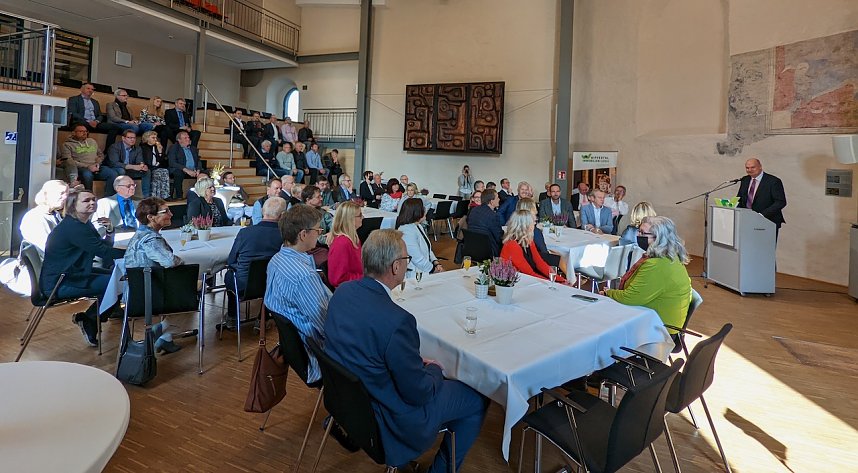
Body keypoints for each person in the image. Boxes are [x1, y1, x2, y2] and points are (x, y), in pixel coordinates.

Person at [324, 229, 488, 473]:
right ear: (395, 267)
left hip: (350, 405)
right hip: (390, 418)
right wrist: (433, 369)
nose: (407, 263)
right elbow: (419, 393)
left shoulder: (342, 293)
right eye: (407, 259)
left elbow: (364, 347)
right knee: (478, 397)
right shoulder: (397, 320)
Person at [41, 190, 125, 346]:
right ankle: (91, 319)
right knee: (121, 282)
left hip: (74, 272)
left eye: (94, 199)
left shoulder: (82, 224)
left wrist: (110, 231)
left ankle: (92, 317)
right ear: (73, 205)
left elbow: (102, 248)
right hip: (61, 282)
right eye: (86, 201)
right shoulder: (74, 228)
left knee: (117, 277)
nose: (92, 203)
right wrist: (134, 252)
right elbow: (104, 252)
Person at [264, 204, 332, 383]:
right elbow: (326, 326)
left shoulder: (276, 260)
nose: (320, 234)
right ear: (303, 234)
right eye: (318, 230)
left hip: (296, 349)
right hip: (317, 356)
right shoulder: (304, 276)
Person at [605, 216, 692, 335]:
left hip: (658, 331)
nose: (638, 236)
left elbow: (629, 298)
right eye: (639, 231)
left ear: (659, 238)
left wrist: (608, 293)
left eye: (643, 233)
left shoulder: (656, 265)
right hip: (661, 321)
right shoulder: (671, 257)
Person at [124, 198, 185, 354]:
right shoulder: (150, 239)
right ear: (150, 217)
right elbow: (170, 261)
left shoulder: (141, 234)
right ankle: (160, 331)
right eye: (166, 212)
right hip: (147, 295)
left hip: (137, 292)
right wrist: (181, 261)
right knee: (193, 293)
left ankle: (166, 339)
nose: (171, 214)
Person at [224, 197, 287, 326]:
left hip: (242, 284)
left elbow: (231, 260)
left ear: (263, 211)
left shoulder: (245, 233)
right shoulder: (284, 235)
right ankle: (263, 317)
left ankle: (232, 316)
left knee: (230, 274)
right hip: (271, 284)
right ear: (282, 216)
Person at [500, 210, 566, 282]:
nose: (534, 224)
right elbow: (528, 273)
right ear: (525, 225)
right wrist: (550, 282)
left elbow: (540, 263)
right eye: (533, 222)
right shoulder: (512, 245)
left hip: (525, 278)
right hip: (514, 282)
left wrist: (560, 280)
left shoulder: (528, 240)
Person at [737, 157, 787, 237]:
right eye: (747, 168)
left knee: (764, 248)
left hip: (768, 221)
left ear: (760, 166)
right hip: (748, 221)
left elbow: (780, 202)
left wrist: (761, 215)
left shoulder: (773, 181)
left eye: (753, 167)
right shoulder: (745, 180)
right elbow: (740, 198)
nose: (749, 170)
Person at [396, 198, 444, 277]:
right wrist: (433, 270)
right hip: (416, 274)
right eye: (423, 208)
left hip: (425, 269)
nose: (426, 210)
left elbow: (427, 249)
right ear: (417, 212)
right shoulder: (407, 231)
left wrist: (436, 262)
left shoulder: (417, 226)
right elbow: (417, 259)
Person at [19, 180, 69, 257]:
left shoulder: (54, 214)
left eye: (66, 194)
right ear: (47, 195)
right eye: (61, 193)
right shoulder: (35, 217)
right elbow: (49, 248)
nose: (65, 197)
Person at [61, 124, 114, 192]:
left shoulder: (92, 141)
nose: (84, 133)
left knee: (112, 173)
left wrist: (98, 163)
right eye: (81, 131)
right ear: (73, 132)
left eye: (86, 131)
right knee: (87, 175)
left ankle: (108, 196)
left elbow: (100, 155)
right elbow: (68, 161)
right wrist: (88, 166)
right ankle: (89, 195)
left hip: (96, 166)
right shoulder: (67, 145)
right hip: (81, 168)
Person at [326, 201, 364, 288]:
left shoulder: (353, 238)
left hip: (357, 283)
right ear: (350, 219)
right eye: (360, 215)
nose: (362, 217)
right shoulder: (342, 243)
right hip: (350, 289)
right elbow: (337, 279)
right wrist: (366, 278)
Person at [105, 129, 152, 197]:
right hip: (116, 169)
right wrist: (133, 166)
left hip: (130, 170)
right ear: (123, 138)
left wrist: (142, 166)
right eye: (129, 138)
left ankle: (146, 196)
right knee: (121, 170)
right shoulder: (115, 147)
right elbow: (114, 163)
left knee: (147, 172)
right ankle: (117, 195)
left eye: (134, 138)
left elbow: (139, 161)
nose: (132, 140)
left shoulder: (137, 149)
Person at [466, 188, 504, 256]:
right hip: (489, 251)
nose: (499, 199)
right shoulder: (493, 216)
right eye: (497, 197)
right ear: (491, 202)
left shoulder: (474, 210)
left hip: (472, 247)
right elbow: (499, 238)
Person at [166, 130, 203, 199]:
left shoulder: (193, 148)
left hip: (193, 170)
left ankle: (201, 194)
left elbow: (198, 161)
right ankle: (179, 196)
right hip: (180, 169)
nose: (188, 139)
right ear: (179, 140)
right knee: (178, 173)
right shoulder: (174, 147)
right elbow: (172, 162)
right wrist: (186, 170)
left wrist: (198, 170)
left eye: (188, 137)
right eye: (185, 138)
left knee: (205, 173)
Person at [139, 130, 171, 199]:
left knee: (165, 171)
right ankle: (155, 195)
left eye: (156, 138)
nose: (155, 139)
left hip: (157, 167)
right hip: (148, 167)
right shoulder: (143, 147)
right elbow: (147, 160)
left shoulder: (157, 147)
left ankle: (165, 195)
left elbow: (163, 161)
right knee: (158, 173)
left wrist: (160, 152)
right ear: (147, 138)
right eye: (153, 138)